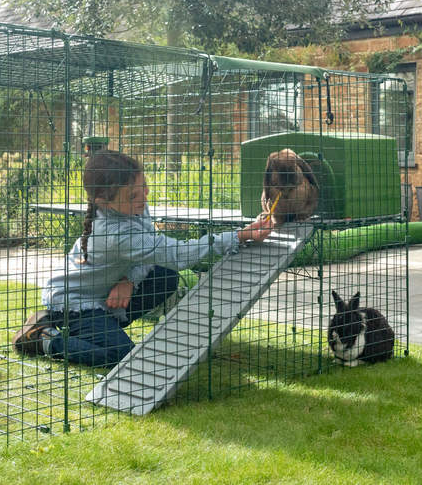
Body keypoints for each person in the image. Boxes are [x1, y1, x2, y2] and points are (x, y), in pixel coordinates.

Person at [14, 151, 273, 368]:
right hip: (73, 301)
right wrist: (239, 236)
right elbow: (175, 254)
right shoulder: (114, 234)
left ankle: (104, 327)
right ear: (102, 200)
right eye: (134, 195)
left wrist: (129, 279)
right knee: (123, 356)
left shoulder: (132, 207)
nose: (145, 197)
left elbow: (153, 252)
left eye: (144, 187)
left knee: (165, 276)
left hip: (106, 291)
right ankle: (45, 338)